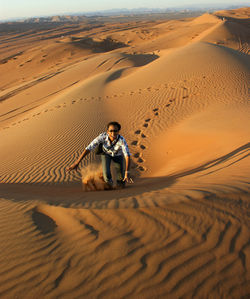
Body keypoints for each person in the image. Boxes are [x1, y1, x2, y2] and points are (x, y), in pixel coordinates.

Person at [66, 121, 133, 188]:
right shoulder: (102, 137)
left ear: (118, 132)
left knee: (121, 176)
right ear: (107, 131)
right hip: (106, 154)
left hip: (117, 155)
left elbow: (127, 155)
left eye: (115, 131)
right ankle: (109, 186)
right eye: (111, 131)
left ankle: (120, 186)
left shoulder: (122, 140)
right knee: (106, 173)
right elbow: (89, 148)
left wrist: (127, 173)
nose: (113, 133)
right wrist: (77, 162)